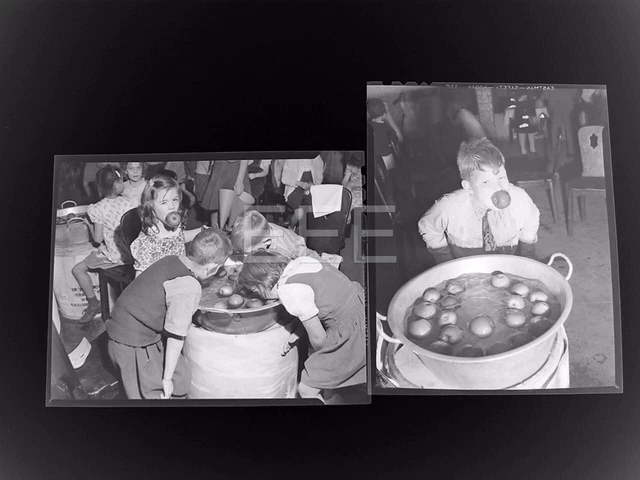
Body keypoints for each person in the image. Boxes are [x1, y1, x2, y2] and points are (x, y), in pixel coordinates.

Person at [106, 227, 233, 399]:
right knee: (155, 394)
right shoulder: (189, 287)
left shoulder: (173, 259)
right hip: (131, 343)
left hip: (128, 328)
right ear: (212, 268)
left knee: (181, 377)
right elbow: (175, 338)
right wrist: (166, 379)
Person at [237, 251, 366, 402]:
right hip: (362, 309)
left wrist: (321, 357)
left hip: (352, 333)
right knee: (324, 379)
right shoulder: (301, 262)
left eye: (255, 292)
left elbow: (319, 338)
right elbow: (318, 300)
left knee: (306, 389)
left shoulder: (288, 291)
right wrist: (299, 333)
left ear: (262, 284)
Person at [418, 138, 540, 264]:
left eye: (501, 177)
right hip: (465, 264)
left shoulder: (519, 198)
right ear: (469, 187)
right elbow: (428, 224)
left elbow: (531, 217)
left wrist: (527, 252)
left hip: (506, 261)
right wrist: (444, 258)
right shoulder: (450, 206)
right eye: (486, 182)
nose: (498, 187)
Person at [72, 165, 138, 324]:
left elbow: (97, 239)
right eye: (123, 180)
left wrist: (88, 223)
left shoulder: (98, 209)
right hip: (134, 254)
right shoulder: (131, 202)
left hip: (115, 257)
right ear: (117, 185)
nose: (124, 182)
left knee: (77, 269)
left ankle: (94, 304)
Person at [130, 175, 205, 276]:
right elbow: (140, 278)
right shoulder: (147, 243)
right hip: (158, 284)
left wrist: (201, 230)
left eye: (175, 200)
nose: (172, 207)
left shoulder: (175, 227)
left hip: (178, 276)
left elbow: (179, 238)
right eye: (164, 202)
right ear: (151, 206)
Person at [229, 210, 322, 261]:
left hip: (305, 262)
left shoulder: (285, 249)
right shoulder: (262, 229)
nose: (245, 257)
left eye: (249, 252)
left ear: (267, 241)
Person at [201, 160, 252, 230]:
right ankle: (217, 236)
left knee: (238, 215)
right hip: (219, 168)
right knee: (215, 207)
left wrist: (240, 180)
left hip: (236, 171)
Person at [280, 156, 324, 230]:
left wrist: (315, 184)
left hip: (311, 189)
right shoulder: (292, 157)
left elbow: (319, 173)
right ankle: (291, 228)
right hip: (295, 189)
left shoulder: (316, 157)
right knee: (299, 214)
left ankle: (302, 230)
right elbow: (284, 179)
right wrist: (300, 183)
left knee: (315, 213)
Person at [341, 152, 364, 230]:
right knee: (345, 197)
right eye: (353, 165)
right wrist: (347, 185)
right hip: (352, 188)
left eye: (357, 166)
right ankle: (345, 225)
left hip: (362, 190)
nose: (355, 168)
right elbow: (344, 182)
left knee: (350, 202)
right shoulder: (349, 166)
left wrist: (352, 184)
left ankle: (347, 219)